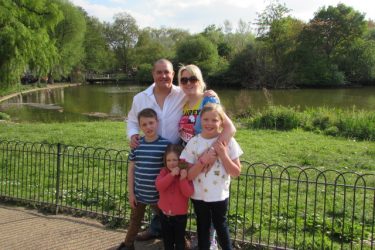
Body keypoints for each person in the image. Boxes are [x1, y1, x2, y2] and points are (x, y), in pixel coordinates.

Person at [126, 59, 218, 241]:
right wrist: (132, 135)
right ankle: (157, 228)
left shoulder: (181, 93)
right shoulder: (140, 98)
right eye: (159, 72)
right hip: (152, 151)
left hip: (176, 153)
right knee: (160, 192)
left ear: (172, 75)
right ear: (153, 74)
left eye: (167, 72)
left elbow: (204, 102)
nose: (163, 76)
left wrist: (211, 95)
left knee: (184, 193)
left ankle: (202, 238)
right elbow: (131, 120)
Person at [177, 64, 236, 249]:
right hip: (191, 154)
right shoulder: (183, 102)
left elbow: (229, 128)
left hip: (209, 153)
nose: (188, 83)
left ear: (200, 80)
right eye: (184, 79)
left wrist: (212, 152)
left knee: (215, 207)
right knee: (200, 204)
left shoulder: (208, 99)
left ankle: (211, 242)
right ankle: (203, 240)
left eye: (193, 79)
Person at [181, 104, 243, 250]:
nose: (209, 123)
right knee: (202, 227)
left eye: (214, 120)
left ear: (221, 122)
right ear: (200, 120)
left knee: (221, 226)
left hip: (220, 195)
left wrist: (223, 155)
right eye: (206, 119)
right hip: (198, 195)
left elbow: (236, 172)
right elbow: (189, 175)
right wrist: (203, 161)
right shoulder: (193, 143)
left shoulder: (228, 143)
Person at [117, 108, 170, 250]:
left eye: (151, 123)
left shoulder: (165, 145)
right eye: (144, 124)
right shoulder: (137, 145)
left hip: (158, 196)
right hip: (139, 194)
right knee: (134, 222)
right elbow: (131, 169)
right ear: (140, 126)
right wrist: (131, 193)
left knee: (168, 221)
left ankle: (178, 242)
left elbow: (169, 169)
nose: (148, 127)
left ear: (157, 123)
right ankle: (128, 245)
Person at [156, 144, 194, 250]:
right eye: (168, 160)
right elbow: (159, 186)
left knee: (179, 242)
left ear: (181, 160)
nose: (171, 163)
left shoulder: (185, 175)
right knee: (167, 241)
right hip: (164, 216)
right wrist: (171, 175)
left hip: (179, 217)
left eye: (174, 160)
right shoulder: (164, 172)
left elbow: (188, 193)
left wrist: (182, 179)